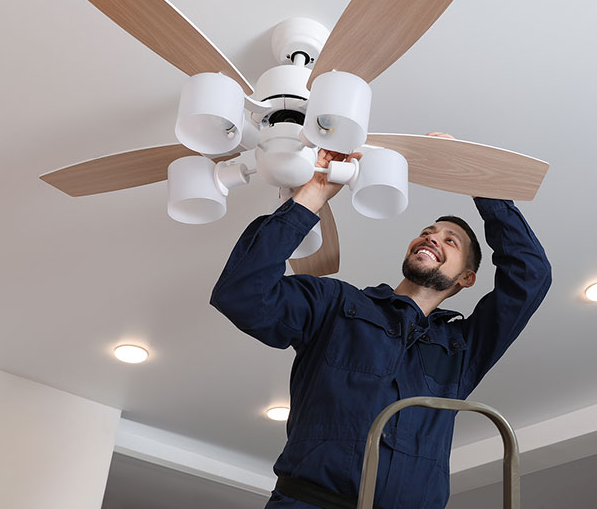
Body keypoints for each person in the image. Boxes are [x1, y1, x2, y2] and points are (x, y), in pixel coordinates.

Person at [210, 133, 551, 509]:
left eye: (450, 241)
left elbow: (530, 276)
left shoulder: (463, 350)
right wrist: (313, 194)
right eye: (427, 232)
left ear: (466, 278)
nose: (432, 238)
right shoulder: (335, 305)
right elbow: (242, 294)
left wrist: (472, 178)